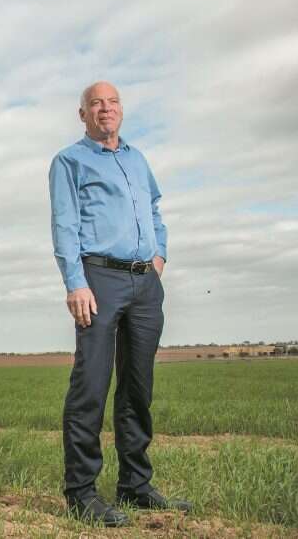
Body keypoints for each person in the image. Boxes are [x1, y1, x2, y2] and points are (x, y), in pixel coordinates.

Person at [48, 81, 192, 527]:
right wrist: (75, 282)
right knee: (90, 385)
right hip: (99, 280)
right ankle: (81, 493)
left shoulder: (137, 159)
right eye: (96, 103)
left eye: (112, 103)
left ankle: (135, 485)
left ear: (121, 111)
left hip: (145, 283)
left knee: (137, 387)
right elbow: (64, 223)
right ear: (83, 114)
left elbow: (154, 209)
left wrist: (159, 256)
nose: (105, 109)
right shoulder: (69, 161)